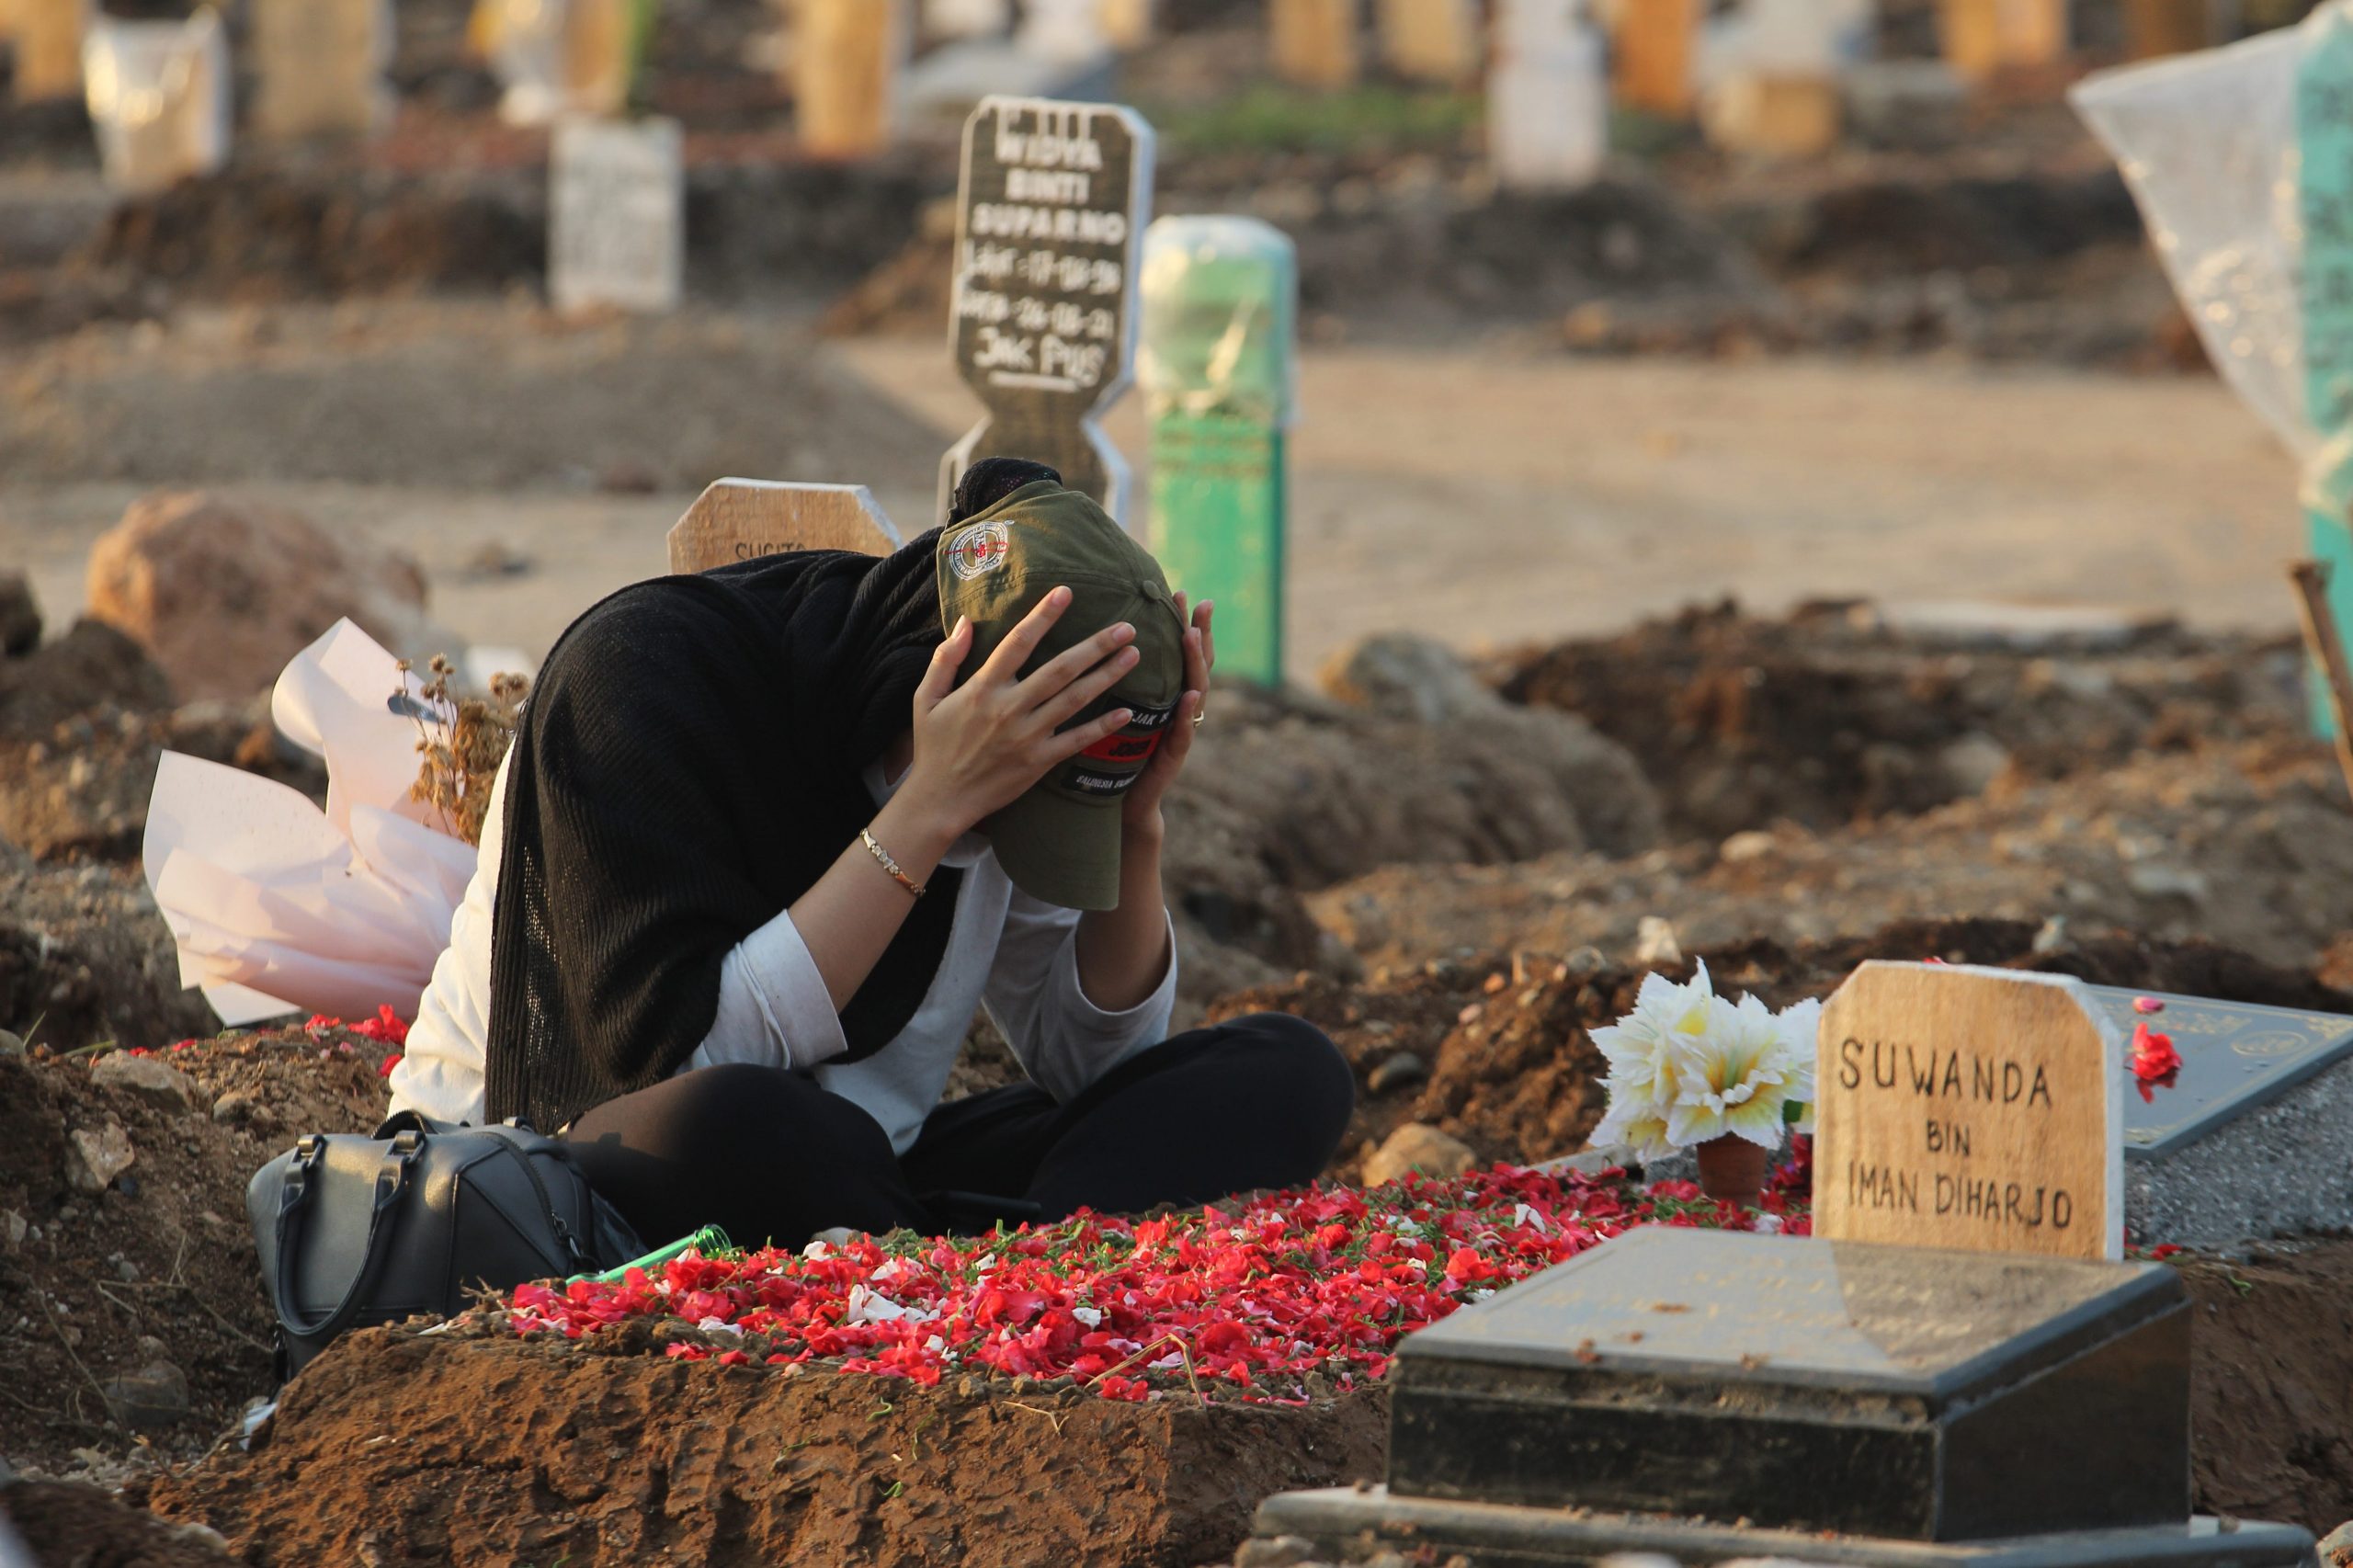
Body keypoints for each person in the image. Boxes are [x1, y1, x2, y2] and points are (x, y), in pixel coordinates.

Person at [390, 458, 1354, 1251]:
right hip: (547, 1161)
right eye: (1008, 805)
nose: (999, 836)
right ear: (935, 682)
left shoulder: (1022, 754)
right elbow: (669, 1067)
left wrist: (1134, 826)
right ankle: (951, 1253)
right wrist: (931, 811)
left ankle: (944, 1256)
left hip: (863, 1165)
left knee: (1285, 1071)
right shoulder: (634, 687)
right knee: (755, 1124)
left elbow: (1094, 1067)